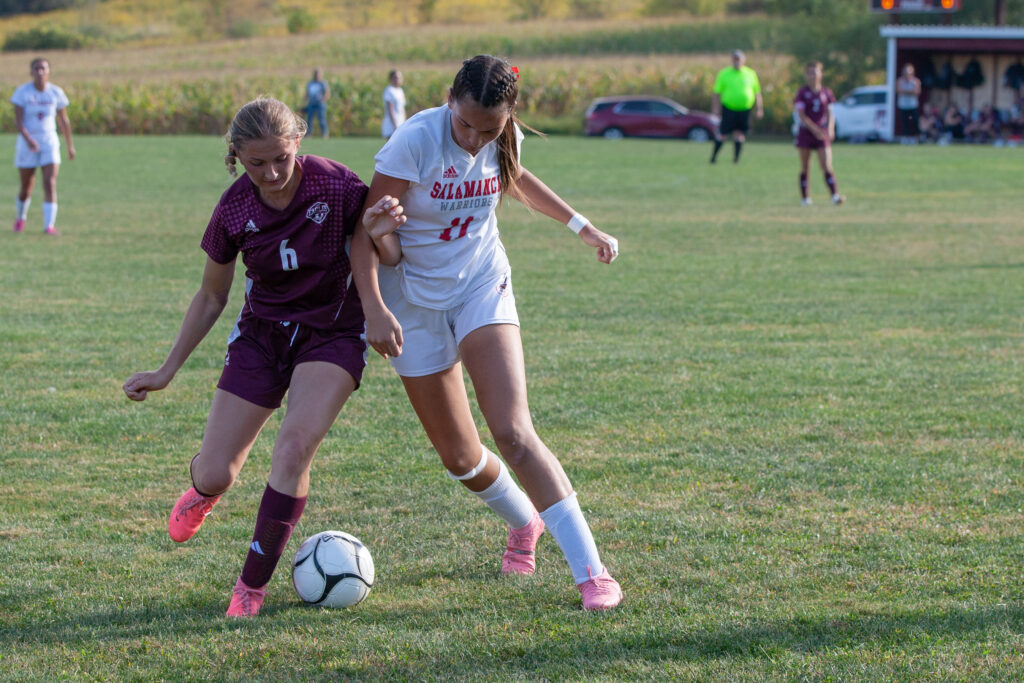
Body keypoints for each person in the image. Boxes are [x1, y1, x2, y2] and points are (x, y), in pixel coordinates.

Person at [350, 55, 623, 611]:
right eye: (466, 124)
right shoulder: (414, 141)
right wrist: (375, 307)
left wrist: (582, 225)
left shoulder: (504, 136)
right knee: (459, 456)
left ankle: (592, 573)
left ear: (509, 117)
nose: (475, 138)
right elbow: (365, 231)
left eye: (490, 129)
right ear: (449, 101)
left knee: (514, 432)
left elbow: (515, 178)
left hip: (481, 284)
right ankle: (525, 523)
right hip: (413, 301)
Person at [122, 96, 403, 618]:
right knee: (217, 473)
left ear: (298, 142)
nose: (272, 173)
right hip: (261, 336)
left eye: (282, 158)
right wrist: (167, 370)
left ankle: (250, 587)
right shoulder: (233, 209)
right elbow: (211, 296)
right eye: (257, 163)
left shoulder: (337, 184)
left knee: (293, 449)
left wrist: (380, 280)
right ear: (236, 157)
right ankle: (202, 489)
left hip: (331, 334)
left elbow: (382, 249)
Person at [11, 57, 75, 235]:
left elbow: (63, 121)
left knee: (49, 182)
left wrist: (70, 145)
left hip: (49, 141)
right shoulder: (22, 92)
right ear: (31, 72)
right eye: (36, 69)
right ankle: (21, 218)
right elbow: (18, 120)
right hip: (27, 142)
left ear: (48, 72)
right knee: (26, 186)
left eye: (43, 69)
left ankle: (49, 226)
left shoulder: (55, 92)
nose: (40, 72)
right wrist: (29, 139)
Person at [793, 61, 844, 207]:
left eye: (815, 72)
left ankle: (835, 196)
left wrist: (830, 128)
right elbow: (801, 115)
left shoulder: (826, 93)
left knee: (826, 165)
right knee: (805, 166)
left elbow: (830, 113)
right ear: (806, 75)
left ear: (821, 74)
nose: (812, 75)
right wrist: (814, 129)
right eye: (809, 72)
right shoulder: (802, 93)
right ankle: (805, 198)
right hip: (806, 134)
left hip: (821, 134)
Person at [710, 49, 763, 164]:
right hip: (729, 108)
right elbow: (716, 93)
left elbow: (757, 92)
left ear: (743, 60)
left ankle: (736, 159)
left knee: (740, 134)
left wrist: (759, 108)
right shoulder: (724, 73)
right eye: (734, 59)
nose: (736, 61)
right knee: (723, 133)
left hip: (744, 109)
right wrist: (715, 108)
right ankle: (713, 157)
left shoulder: (750, 73)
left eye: (738, 59)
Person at [895, 63, 921, 143]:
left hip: (912, 106)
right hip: (903, 106)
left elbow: (917, 91)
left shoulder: (916, 81)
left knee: (913, 121)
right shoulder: (900, 80)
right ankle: (905, 138)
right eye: (906, 73)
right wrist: (910, 92)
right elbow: (899, 91)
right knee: (904, 122)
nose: (907, 75)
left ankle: (915, 138)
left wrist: (905, 91)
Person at [304, 68, 330, 138]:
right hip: (311, 103)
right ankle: (308, 134)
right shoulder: (310, 83)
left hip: (320, 104)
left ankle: (325, 133)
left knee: (321, 119)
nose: (317, 76)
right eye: (316, 74)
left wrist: (323, 99)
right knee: (309, 119)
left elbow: (327, 93)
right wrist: (305, 99)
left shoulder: (323, 83)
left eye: (318, 74)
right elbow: (307, 93)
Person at [381, 69, 407, 139]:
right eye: (397, 78)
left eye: (400, 78)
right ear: (391, 79)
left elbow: (402, 109)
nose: (399, 79)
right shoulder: (389, 90)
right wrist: (395, 125)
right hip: (392, 125)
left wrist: (404, 123)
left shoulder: (400, 90)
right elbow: (390, 109)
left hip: (400, 123)